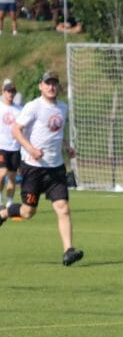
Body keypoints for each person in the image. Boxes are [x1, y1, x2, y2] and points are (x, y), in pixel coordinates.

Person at [0, 71, 82, 265]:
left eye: (54, 83)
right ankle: (3, 213)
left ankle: (68, 251)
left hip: (56, 168)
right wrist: (30, 149)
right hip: (33, 167)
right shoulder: (33, 107)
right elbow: (15, 130)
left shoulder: (63, 108)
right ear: (41, 86)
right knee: (28, 212)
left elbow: (57, 133)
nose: (51, 86)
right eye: (47, 83)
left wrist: (67, 147)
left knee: (63, 208)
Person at [0, 79, 23, 208]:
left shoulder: (19, 109)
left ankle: (9, 202)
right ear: (3, 92)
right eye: (8, 91)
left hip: (14, 148)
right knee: (1, 173)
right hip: (1, 146)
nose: (11, 94)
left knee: (12, 177)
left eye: (13, 91)